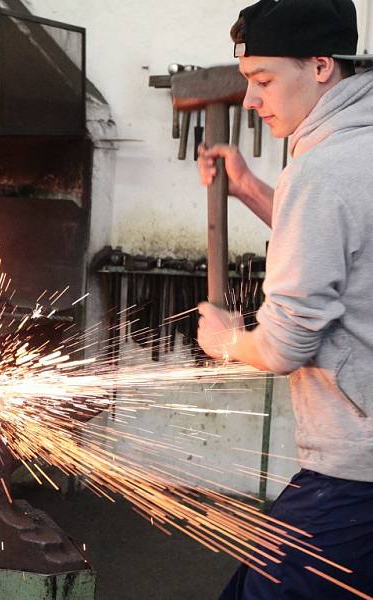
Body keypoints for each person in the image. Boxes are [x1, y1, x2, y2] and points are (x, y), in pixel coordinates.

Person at [195, 0, 373, 597]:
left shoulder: (322, 169)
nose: (250, 100)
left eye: (262, 79)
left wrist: (226, 341)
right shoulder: (358, 147)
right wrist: (248, 188)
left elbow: (286, 345)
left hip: (356, 468)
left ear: (320, 66)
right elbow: (348, 254)